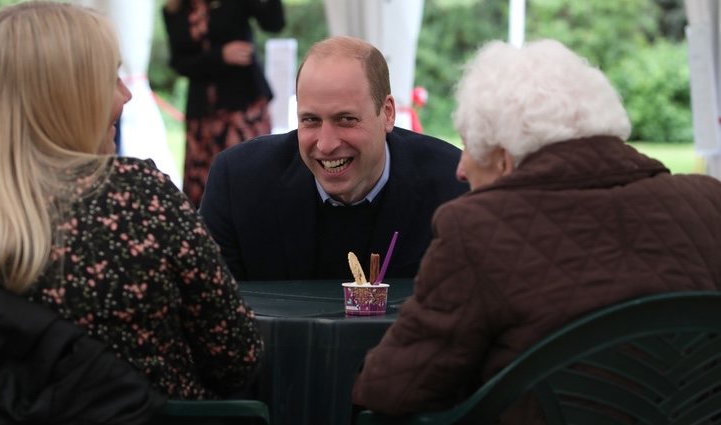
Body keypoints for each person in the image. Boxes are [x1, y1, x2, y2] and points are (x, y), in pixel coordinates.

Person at [351, 39, 721, 422]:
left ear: (505, 160)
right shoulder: (711, 202)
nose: (460, 169)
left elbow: (392, 389)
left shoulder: (477, 229)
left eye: (468, 147)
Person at [0, 2, 262, 401]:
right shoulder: (140, 198)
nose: (126, 95)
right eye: (110, 78)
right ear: (65, 97)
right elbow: (237, 357)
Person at [199, 36, 468, 281]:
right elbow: (208, 310)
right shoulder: (239, 184)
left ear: (387, 113)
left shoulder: (452, 189)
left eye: (346, 120)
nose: (326, 145)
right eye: (311, 120)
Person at [163, 0, 285, 207]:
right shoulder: (175, 8)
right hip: (202, 112)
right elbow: (179, 62)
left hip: (243, 104)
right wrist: (220, 56)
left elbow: (274, 23)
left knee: (250, 175)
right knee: (202, 183)